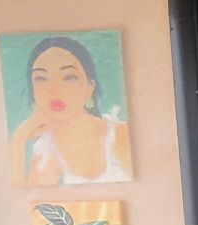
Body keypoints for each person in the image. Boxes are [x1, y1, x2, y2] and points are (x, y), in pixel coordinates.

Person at [8, 36, 132, 186]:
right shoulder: (46, 150)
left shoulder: (119, 134)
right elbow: (30, 197)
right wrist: (18, 138)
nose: (54, 89)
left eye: (68, 77)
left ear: (90, 87)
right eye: (41, 78)